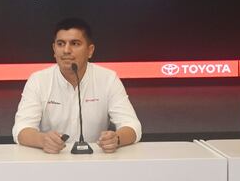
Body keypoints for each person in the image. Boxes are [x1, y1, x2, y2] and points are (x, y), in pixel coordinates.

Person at [12, 18, 142, 153]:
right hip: (51, 160)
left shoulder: (108, 79)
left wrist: (117, 138)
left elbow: (132, 125)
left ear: (90, 50)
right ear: (54, 49)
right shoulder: (38, 80)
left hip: (95, 161)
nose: (66, 50)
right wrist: (42, 140)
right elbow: (21, 129)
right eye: (61, 44)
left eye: (75, 43)